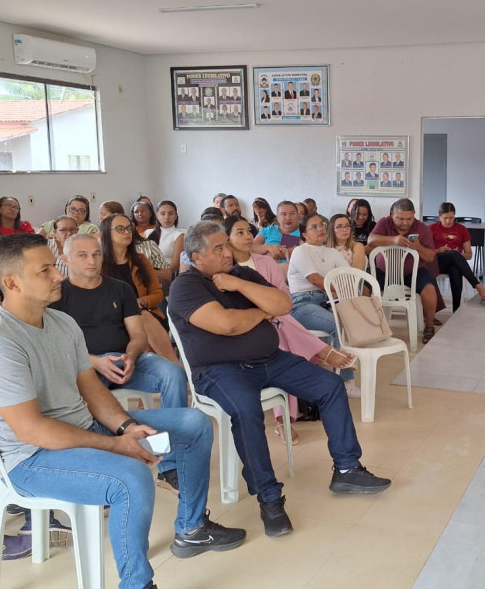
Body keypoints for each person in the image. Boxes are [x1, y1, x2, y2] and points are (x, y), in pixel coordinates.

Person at [0, 234, 246, 589]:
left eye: (54, 266)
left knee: (194, 424)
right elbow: (31, 430)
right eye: (45, 270)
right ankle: (137, 583)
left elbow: (92, 390)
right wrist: (116, 444)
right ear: (11, 283)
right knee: (132, 476)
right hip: (32, 459)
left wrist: (126, 427)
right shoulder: (1, 342)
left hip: (84, 429)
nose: (58, 275)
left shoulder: (61, 323)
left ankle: (192, 528)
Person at [168, 222, 391, 538]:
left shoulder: (241, 274)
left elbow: (283, 305)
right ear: (196, 257)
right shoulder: (186, 285)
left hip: (271, 360)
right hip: (220, 370)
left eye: (226, 245)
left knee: (329, 386)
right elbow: (227, 324)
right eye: (218, 248)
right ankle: (269, 498)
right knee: (246, 411)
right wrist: (261, 312)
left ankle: (346, 468)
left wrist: (239, 285)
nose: (228, 252)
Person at [52, 233, 189, 493]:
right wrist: (94, 362)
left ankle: (170, 463)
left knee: (173, 374)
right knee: (77, 397)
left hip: (126, 360)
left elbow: (138, 334)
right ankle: (107, 465)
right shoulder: (58, 295)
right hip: (84, 368)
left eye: (96, 254)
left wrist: (131, 356)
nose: (92, 261)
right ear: (65, 259)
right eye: (83, 255)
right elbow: (58, 347)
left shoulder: (120, 288)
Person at [223, 216, 357, 443]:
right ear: (226, 239)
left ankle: (283, 420)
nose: (247, 236)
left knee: (284, 345)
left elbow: (284, 294)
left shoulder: (265, 262)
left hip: (275, 319)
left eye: (249, 231)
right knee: (283, 331)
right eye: (240, 232)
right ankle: (323, 351)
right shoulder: (226, 268)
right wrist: (265, 308)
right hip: (248, 325)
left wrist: (270, 308)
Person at [287, 214, 360, 396]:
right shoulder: (301, 251)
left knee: (352, 321)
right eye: (314, 227)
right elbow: (316, 280)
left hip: (328, 300)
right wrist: (339, 288)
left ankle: (341, 373)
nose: (320, 229)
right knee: (338, 323)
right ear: (304, 234)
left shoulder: (332, 252)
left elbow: (349, 277)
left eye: (322, 225)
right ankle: (346, 380)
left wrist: (341, 289)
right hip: (303, 304)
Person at [100, 215, 178, 364]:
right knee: (139, 319)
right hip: (114, 318)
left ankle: (168, 366)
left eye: (129, 228)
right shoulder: (99, 264)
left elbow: (157, 294)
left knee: (141, 317)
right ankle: (173, 365)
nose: (127, 232)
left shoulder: (141, 260)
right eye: (120, 229)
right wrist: (128, 307)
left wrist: (141, 301)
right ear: (106, 233)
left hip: (146, 314)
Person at [368, 199, 440, 344]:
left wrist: (418, 248)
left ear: (414, 215)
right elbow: (371, 240)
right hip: (383, 271)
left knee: (429, 288)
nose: (405, 223)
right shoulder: (384, 222)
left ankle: (429, 326)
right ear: (392, 214)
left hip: (413, 272)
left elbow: (430, 257)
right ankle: (367, 326)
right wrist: (393, 240)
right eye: (400, 218)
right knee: (364, 285)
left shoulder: (422, 228)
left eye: (409, 218)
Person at [429, 202, 485, 310]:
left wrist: (458, 255)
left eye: (451, 218)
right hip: (436, 262)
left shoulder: (462, 229)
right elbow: (425, 252)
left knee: (455, 267)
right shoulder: (431, 228)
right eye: (445, 218)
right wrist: (438, 250)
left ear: (455, 215)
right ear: (439, 216)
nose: (448, 221)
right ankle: (478, 285)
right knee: (453, 254)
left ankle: (456, 310)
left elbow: (469, 255)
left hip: (453, 263)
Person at [146, 200, 185, 279]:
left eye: (171, 213)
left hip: (167, 274)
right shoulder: (148, 233)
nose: (167, 217)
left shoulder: (179, 235)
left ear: (176, 216)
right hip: (147, 272)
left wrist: (157, 274)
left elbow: (175, 265)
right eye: (162, 214)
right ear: (157, 215)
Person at [254, 201, 301, 265]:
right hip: (263, 268)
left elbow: (299, 252)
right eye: (283, 214)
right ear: (277, 217)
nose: (288, 218)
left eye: (292, 213)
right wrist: (268, 247)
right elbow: (252, 248)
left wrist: (268, 255)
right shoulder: (267, 230)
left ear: (298, 215)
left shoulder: (304, 233)